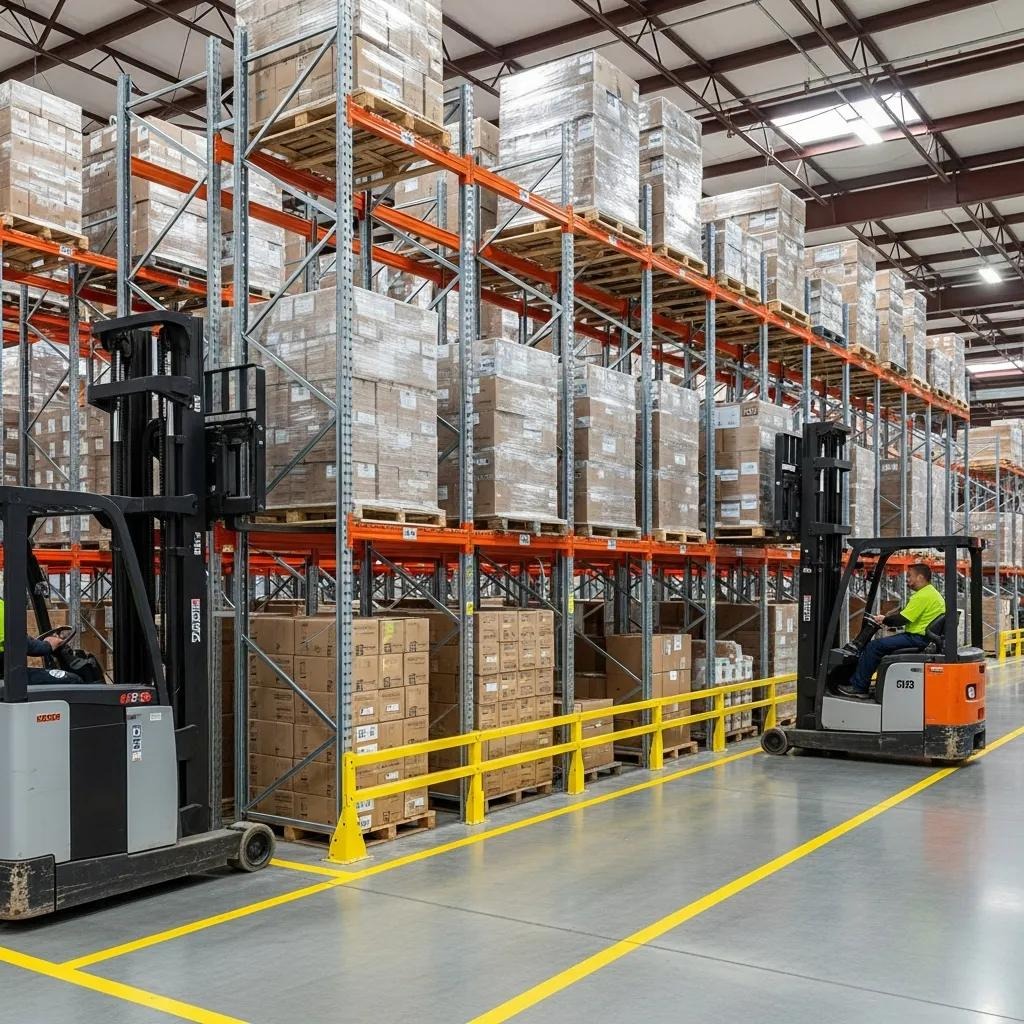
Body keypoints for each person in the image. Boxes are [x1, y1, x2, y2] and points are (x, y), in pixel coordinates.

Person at [838, 563, 946, 699]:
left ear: (920, 577)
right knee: (880, 645)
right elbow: (908, 618)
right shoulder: (931, 593)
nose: (907, 579)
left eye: (909, 576)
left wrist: (884, 620)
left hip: (917, 639)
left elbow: (902, 619)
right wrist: (888, 621)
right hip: (922, 638)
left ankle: (859, 687)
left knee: (873, 646)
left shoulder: (922, 596)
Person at [0, 597, 84, 685]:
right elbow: (19, 643)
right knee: (73, 679)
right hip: (7, 676)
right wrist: (48, 645)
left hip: (6, 671)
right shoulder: (1, 606)